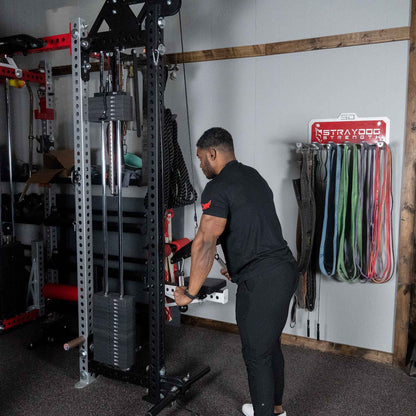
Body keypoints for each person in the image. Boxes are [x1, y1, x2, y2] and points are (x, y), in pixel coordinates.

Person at [174, 127, 298, 416]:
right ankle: (274, 410)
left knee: (256, 354)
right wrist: (239, 265)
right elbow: (253, 226)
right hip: (282, 271)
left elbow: (205, 242)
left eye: (201, 158)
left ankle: (266, 412)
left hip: (264, 280)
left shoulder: (217, 187)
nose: (200, 165)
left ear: (213, 153)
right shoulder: (253, 176)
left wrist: (190, 293)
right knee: (268, 347)